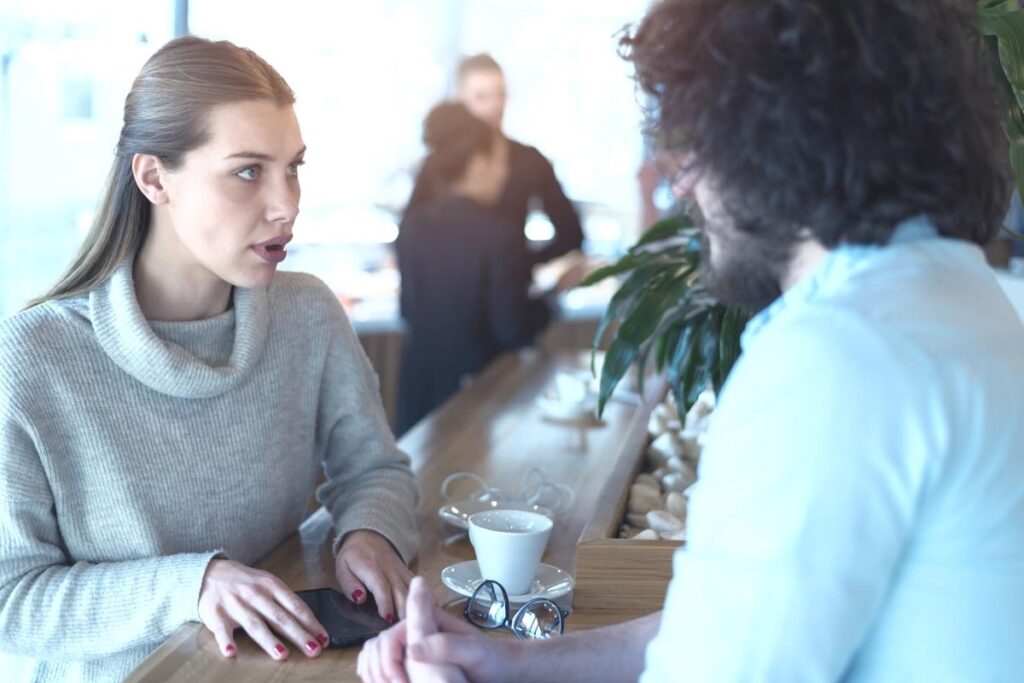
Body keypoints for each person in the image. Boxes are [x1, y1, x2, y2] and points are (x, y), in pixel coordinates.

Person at [358, 0, 1024, 681]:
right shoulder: (961, 301)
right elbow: (727, 623)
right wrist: (515, 662)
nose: (680, 181)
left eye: (696, 141)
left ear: (775, 138)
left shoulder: (836, 357)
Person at [0, 36, 419, 682]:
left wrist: (369, 532)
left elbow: (374, 469)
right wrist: (191, 585)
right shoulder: (33, 360)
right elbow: (12, 599)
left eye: (294, 167)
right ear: (153, 177)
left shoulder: (307, 315)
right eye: (248, 171)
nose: (287, 205)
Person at [396, 102, 557, 435]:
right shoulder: (499, 236)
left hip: (418, 391)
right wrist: (552, 298)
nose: (504, 172)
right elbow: (512, 329)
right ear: (479, 164)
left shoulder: (412, 227)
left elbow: (408, 310)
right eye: (500, 163)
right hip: (478, 396)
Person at [404, 54, 584, 271]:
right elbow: (410, 229)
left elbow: (571, 233)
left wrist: (522, 265)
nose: (494, 106)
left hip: (509, 288)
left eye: (500, 95)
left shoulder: (529, 161)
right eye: (482, 96)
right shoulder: (439, 162)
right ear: (460, 99)